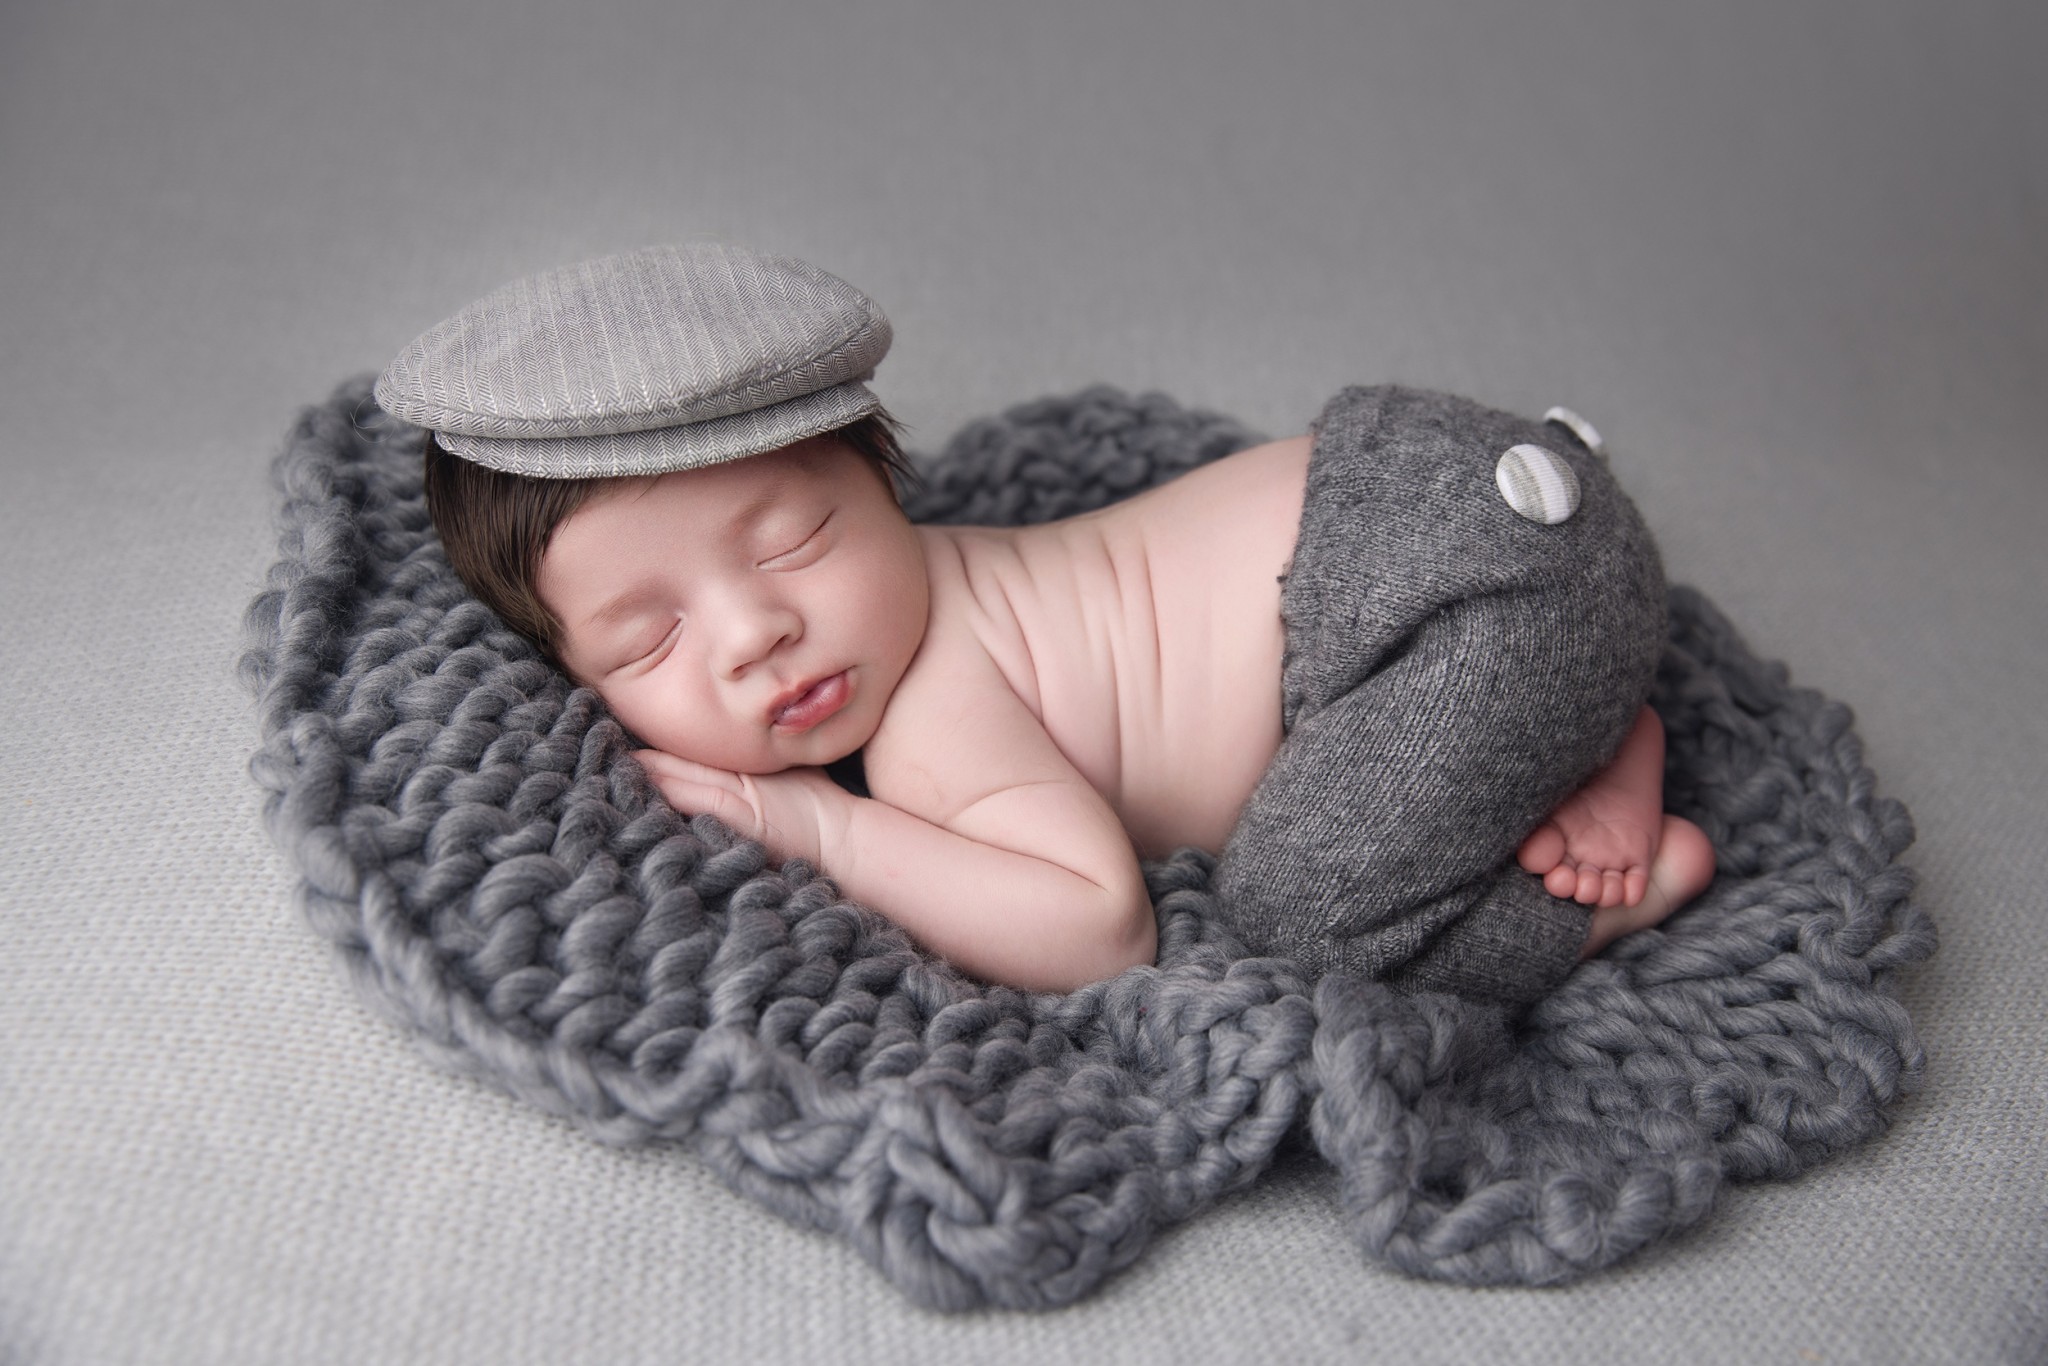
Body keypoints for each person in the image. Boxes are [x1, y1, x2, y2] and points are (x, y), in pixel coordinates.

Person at [378, 243, 1714, 1002]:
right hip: (1446, 499)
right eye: (647, 642)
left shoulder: (932, 715)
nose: (753, 633)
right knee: (1392, 781)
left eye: (793, 541)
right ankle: (1581, 730)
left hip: (1473, 580)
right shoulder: (936, 593)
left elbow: (1100, 928)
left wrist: (824, 827)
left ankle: (1618, 865)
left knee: (1303, 920)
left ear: (888, 487)